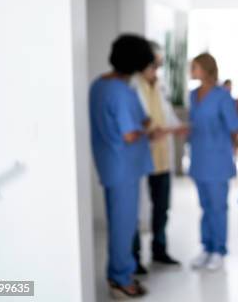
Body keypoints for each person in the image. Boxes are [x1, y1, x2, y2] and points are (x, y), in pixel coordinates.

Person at [89, 34, 165, 299]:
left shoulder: (100, 85)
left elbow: (135, 121)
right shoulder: (121, 91)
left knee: (119, 222)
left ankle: (119, 273)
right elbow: (130, 133)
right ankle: (120, 279)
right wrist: (150, 132)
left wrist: (143, 125)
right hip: (124, 167)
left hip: (112, 165)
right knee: (123, 225)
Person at [131, 42, 189, 272]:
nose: (157, 67)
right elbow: (138, 122)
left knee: (161, 207)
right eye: (155, 63)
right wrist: (156, 131)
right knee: (135, 211)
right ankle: (134, 258)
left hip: (162, 158)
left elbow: (167, 116)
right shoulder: (133, 88)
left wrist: (177, 127)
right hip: (140, 157)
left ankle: (159, 249)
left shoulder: (159, 86)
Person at [188, 53, 238, 271]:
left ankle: (219, 250)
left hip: (218, 160)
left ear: (207, 68)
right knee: (205, 207)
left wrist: (222, 146)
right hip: (199, 158)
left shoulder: (223, 96)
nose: (192, 71)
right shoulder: (193, 95)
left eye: (195, 67)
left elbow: (234, 128)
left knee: (218, 207)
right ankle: (206, 248)